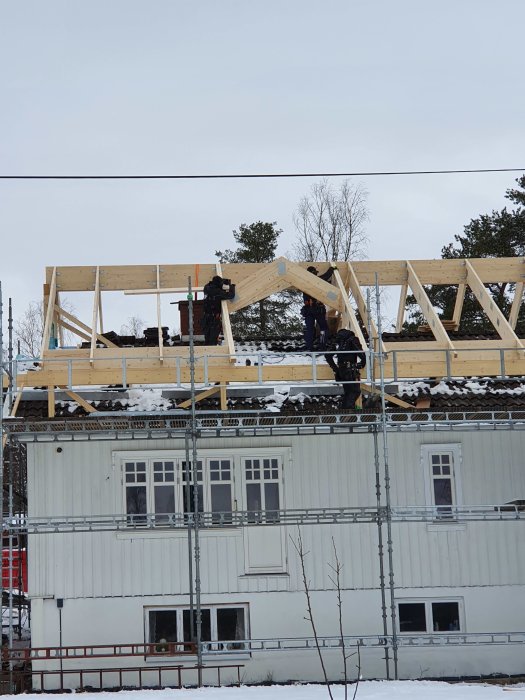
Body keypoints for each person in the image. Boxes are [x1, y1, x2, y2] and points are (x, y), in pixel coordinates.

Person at [325, 329, 366, 409]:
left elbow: (328, 355)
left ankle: (347, 411)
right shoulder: (352, 339)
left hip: (342, 370)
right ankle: (347, 412)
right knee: (355, 391)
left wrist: (336, 369)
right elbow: (361, 353)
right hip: (350, 370)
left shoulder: (337, 340)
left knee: (349, 392)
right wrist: (361, 364)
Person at [302, 265, 336, 351]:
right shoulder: (316, 281)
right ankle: (322, 345)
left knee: (310, 329)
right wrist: (331, 269)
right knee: (323, 328)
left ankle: (310, 347)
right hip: (317, 310)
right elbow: (326, 276)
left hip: (309, 310)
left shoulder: (303, 281)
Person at [202, 275, 236, 345]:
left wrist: (222, 282)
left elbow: (208, 284)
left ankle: (206, 353)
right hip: (213, 319)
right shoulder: (218, 292)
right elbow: (231, 295)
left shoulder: (206, 288)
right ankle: (211, 354)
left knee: (207, 339)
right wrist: (232, 286)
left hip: (205, 318)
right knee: (212, 340)